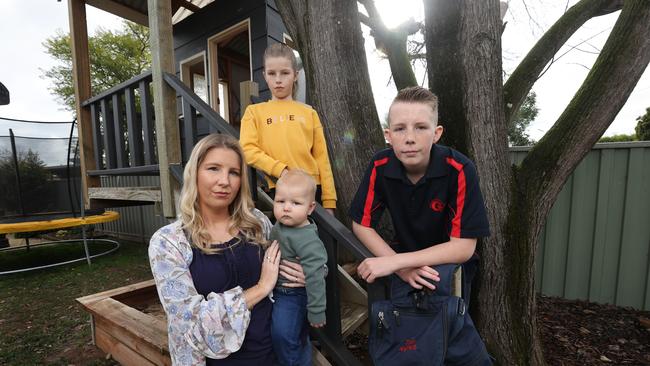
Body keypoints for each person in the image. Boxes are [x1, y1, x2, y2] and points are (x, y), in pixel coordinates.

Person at [350, 86, 492, 364]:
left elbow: (463, 247)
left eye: (421, 127)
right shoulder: (380, 165)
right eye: (400, 129)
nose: (410, 138)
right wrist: (401, 267)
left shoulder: (459, 169)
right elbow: (361, 224)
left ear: (437, 133)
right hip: (404, 267)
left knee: (451, 332)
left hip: (451, 266)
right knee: (409, 339)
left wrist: (394, 263)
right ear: (388, 136)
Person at [149, 134, 306, 365]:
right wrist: (261, 288)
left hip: (274, 356)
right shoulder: (168, 242)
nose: (225, 181)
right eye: (213, 168)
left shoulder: (257, 223)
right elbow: (191, 324)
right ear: (195, 173)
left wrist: (305, 273)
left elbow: (291, 260)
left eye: (234, 172)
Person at [240, 43, 337, 214]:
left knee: (315, 239)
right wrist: (280, 170)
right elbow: (247, 149)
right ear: (264, 76)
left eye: (285, 73)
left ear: (295, 75)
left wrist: (329, 201)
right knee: (286, 239)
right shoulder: (254, 112)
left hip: (313, 188)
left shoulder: (309, 112)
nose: (278, 79)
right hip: (279, 186)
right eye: (272, 73)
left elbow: (322, 158)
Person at [269, 170, 327, 366]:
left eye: (295, 203)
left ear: (310, 208)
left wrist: (317, 310)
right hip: (275, 290)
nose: (286, 208)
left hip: (293, 294)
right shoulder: (280, 226)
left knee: (283, 335)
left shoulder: (307, 239)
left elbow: (316, 274)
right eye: (280, 201)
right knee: (294, 337)